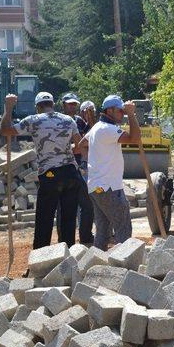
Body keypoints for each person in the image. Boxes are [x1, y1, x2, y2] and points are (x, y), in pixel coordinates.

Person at [0, 92, 82, 249]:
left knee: (45, 219)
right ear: (52, 104)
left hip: (50, 174)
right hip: (71, 172)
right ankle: (67, 258)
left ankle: (40, 259)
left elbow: (6, 130)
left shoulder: (33, 120)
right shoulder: (68, 119)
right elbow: (79, 145)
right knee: (68, 219)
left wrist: (8, 108)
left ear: (38, 106)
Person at [79, 95, 140, 250]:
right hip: (109, 188)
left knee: (103, 231)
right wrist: (132, 114)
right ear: (110, 110)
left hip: (96, 187)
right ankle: (125, 264)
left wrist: (92, 162)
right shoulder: (108, 129)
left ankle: (97, 263)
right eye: (120, 111)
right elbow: (135, 138)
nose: (123, 114)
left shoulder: (96, 128)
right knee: (123, 228)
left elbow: (81, 144)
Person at [59, 92, 94, 245]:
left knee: (87, 204)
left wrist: (91, 118)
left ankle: (85, 237)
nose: (72, 106)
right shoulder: (58, 122)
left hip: (79, 167)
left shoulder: (79, 121)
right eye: (69, 104)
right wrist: (75, 148)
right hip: (63, 167)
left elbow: (91, 136)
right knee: (63, 207)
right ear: (63, 105)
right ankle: (64, 242)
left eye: (74, 104)